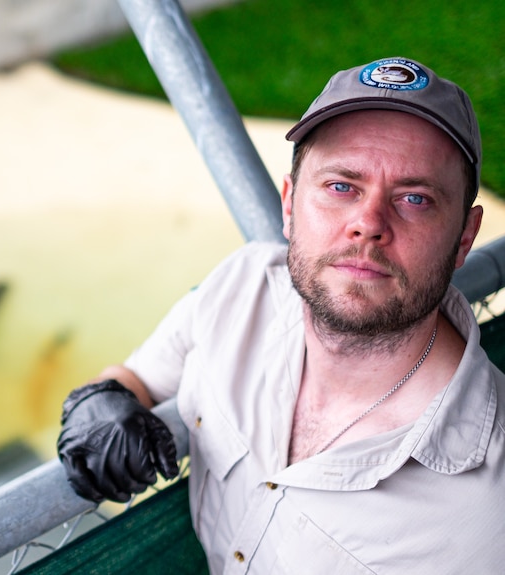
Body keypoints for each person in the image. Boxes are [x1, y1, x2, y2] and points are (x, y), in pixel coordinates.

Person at [57, 57, 505, 574]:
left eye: (414, 198)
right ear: (289, 205)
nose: (368, 223)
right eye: (342, 186)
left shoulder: (488, 509)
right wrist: (99, 402)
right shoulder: (240, 289)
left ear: (464, 239)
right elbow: (133, 379)